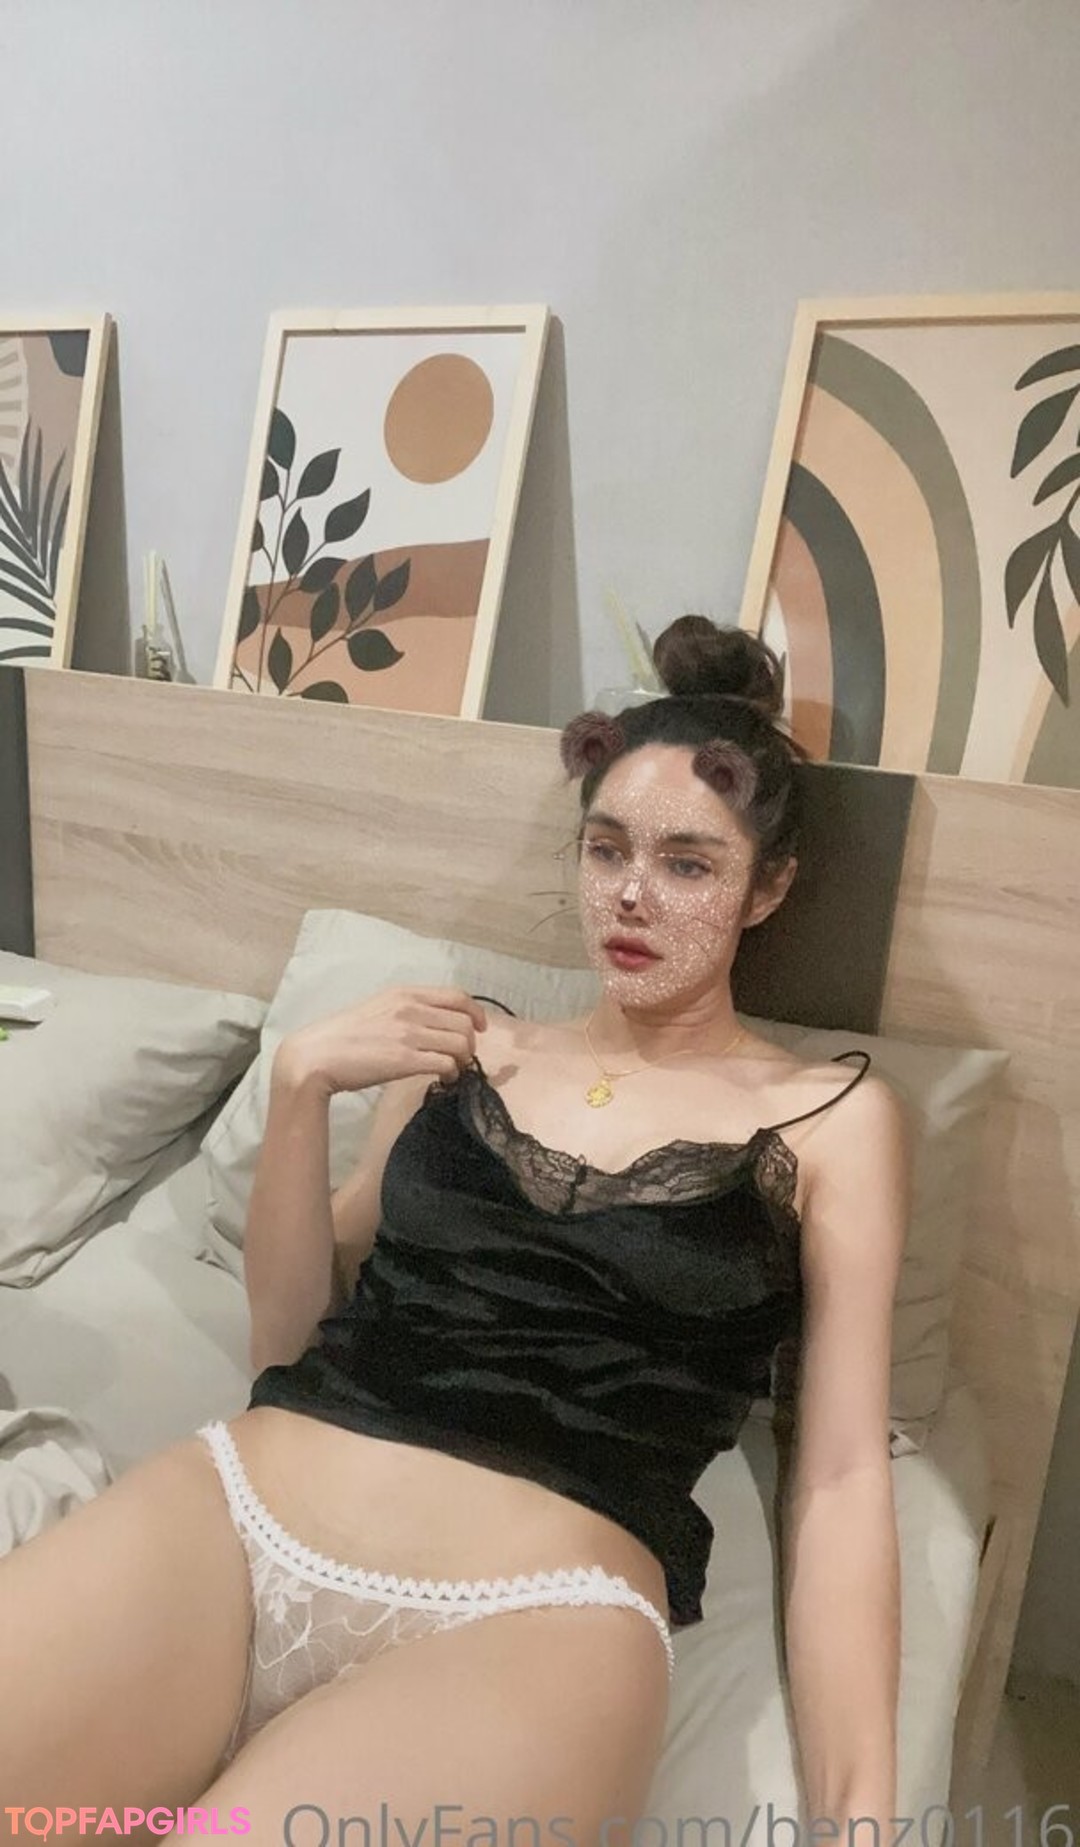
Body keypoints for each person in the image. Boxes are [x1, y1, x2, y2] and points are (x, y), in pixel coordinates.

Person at [0, 615, 907, 1843]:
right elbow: (286, 1338)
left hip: (536, 1615)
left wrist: (862, 1815)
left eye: (688, 863)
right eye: (606, 848)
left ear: (770, 886)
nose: (630, 894)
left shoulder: (833, 1118)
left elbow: (842, 1472)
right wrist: (300, 1088)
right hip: (243, 1509)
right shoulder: (464, 1045)